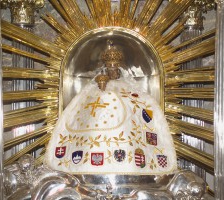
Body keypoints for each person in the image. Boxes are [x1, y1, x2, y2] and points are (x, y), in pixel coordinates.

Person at [45, 40, 177, 175]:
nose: (112, 70)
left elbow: (136, 110)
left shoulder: (129, 90)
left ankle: (129, 163)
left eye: (114, 67)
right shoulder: (92, 90)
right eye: (110, 67)